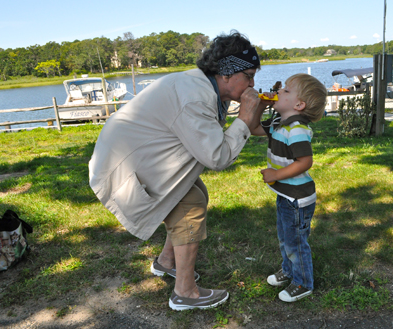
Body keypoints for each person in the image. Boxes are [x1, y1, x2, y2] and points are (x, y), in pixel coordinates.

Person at [88, 31, 271, 311]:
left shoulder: (204, 88)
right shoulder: (195, 97)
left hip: (133, 157)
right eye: (248, 75)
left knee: (195, 189)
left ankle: (166, 262)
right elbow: (217, 156)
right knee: (191, 204)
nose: (252, 83)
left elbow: (227, 136)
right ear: (226, 73)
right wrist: (244, 117)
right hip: (123, 165)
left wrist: (261, 119)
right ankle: (185, 293)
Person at [249, 73, 327, 302]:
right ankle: (289, 270)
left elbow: (305, 162)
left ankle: (303, 282)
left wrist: (276, 174)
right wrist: (262, 105)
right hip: (285, 194)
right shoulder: (278, 122)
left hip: (297, 198)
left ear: (298, 105)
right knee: (285, 237)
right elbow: (253, 127)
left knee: (295, 241)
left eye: (285, 90)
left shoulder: (297, 129)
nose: (279, 92)